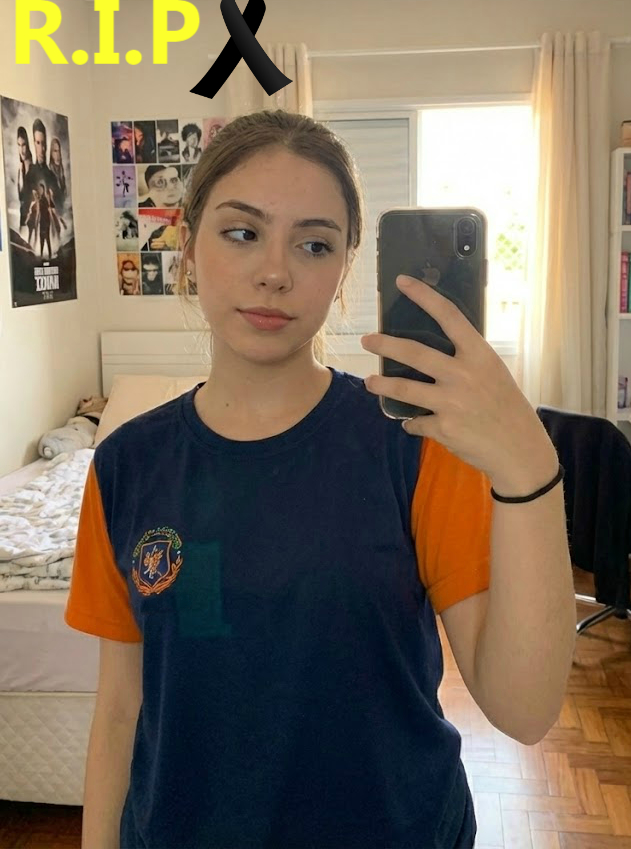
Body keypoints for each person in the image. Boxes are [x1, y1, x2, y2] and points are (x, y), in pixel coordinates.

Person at [65, 109, 575, 849]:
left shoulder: (413, 446)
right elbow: (120, 707)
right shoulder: (126, 464)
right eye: (242, 232)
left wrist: (529, 469)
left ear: (343, 273)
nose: (275, 272)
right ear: (188, 249)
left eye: (313, 244)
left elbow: (524, 711)